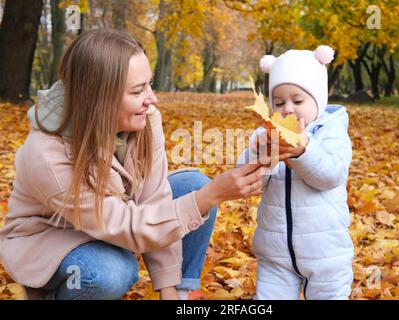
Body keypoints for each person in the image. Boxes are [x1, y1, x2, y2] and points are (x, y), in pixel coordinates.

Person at [0, 29, 264, 300]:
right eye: (138, 91)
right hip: (51, 241)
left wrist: (169, 290)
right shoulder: (47, 154)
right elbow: (125, 224)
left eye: (149, 84)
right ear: (98, 98)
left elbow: (155, 200)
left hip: (109, 225)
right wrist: (211, 196)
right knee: (109, 272)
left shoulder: (146, 119)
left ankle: (186, 294)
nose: (152, 99)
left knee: (192, 185)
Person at [238, 46, 354, 300]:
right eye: (279, 102)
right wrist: (259, 156)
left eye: (298, 101)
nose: (288, 109)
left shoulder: (331, 133)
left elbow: (330, 175)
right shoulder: (264, 135)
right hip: (275, 253)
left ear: (318, 100)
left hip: (326, 254)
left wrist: (302, 151)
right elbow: (246, 181)